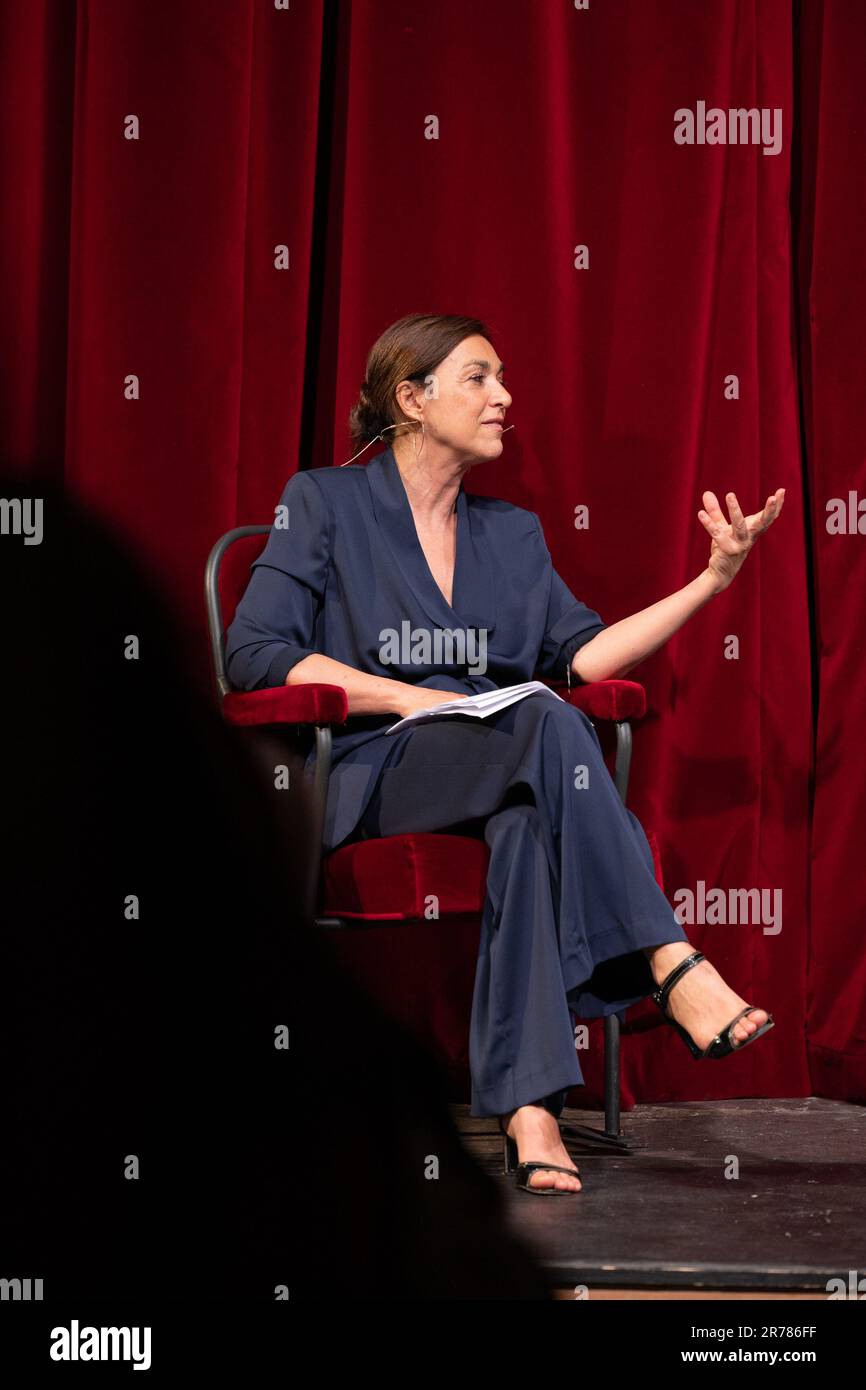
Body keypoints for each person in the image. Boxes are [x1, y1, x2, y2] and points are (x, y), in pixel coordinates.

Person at [225, 312, 785, 1196]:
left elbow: (584, 657)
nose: (505, 398)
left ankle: (529, 1109)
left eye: (502, 378)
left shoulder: (512, 534)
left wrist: (711, 581)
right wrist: (415, 697)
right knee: (550, 726)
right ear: (412, 398)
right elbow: (253, 652)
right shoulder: (325, 501)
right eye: (481, 377)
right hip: (373, 769)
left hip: (507, 764)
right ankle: (670, 962)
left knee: (529, 815)